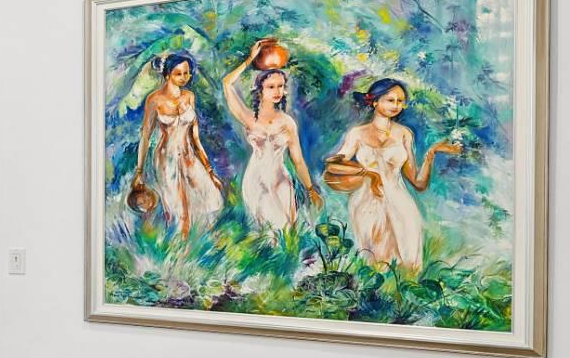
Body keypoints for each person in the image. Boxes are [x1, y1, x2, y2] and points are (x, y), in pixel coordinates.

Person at [324, 78, 460, 272]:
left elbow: (418, 183)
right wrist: (367, 173)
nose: (396, 105)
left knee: (407, 257)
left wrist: (431, 154)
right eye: (390, 100)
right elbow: (333, 166)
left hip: (400, 201)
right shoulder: (357, 133)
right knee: (374, 260)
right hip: (367, 202)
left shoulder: (404, 134)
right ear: (374, 101)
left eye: (400, 101)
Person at [222, 39, 321, 231]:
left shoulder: (287, 122)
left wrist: (310, 189)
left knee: (286, 230)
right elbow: (227, 83)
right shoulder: (249, 118)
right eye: (271, 86)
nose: (278, 91)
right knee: (265, 232)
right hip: (255, 179)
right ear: (259, 90)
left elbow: (298, 160)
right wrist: (250, 59)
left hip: (280, 180)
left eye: (281, 86)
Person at [132, 51, 223, 237]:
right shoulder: (154, 100)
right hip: (166, 159)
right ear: (167, 75)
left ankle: (197, 244)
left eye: (187, 73)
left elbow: (195, 137)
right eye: (178, 73)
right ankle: (179, 249)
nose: (184, 77)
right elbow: (145, 137)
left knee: (209, 199)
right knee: (177, 209)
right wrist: (139, 172)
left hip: (189, 156)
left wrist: (209, 170)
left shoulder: (189, 97)